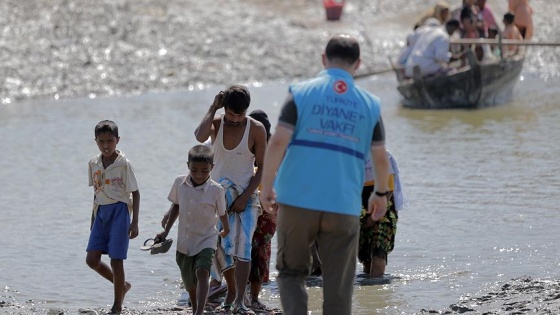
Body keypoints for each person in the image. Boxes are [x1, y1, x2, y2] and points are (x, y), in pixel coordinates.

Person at [259, 34, 390, 315]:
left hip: (297, 200)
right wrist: (380, 194)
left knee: (292, 273)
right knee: (338, 285)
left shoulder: (301, 93)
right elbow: (380, 156)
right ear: (358, 63)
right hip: (343, 204)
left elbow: (278, 141)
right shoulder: (370, 104)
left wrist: (266, 186)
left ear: (323, 59)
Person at [194, 85, 267, 314]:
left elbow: (263, 168)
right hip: (217, 194)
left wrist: (245, 197)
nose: (235, 119)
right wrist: (213, 107)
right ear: (224, 109)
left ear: (246, 110)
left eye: (240, 114)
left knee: (244, 246)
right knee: (219, 247)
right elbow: (199, 136)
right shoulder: (216, 123)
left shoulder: (256, 129)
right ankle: (232, 291)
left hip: (246, 194)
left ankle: (240, 301)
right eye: (230, 114)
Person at [156, 145, 230, 315]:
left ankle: (199, 312)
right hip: (185, 241)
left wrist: (225, 230)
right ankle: (195, 307)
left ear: (212, 167)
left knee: (203, 271)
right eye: (194, 169)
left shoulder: (216, 190)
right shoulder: (179, 183)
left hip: (207, 239)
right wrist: (165, 232)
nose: (199, 175)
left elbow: (223, 213)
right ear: (187, 165)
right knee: (190, 282)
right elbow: (176, 206)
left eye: (204, 171)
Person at [86, 120, 140, 315]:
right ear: (96, 142)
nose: (106, 146)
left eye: (110, 141)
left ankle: (117, 305)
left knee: (116, 260)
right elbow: (96, 190)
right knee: (92, 260)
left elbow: (136, 192)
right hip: (100, 212)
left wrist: (135, 222)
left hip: (120, 212)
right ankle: (122, 285)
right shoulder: (94, 163)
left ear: (118, 140)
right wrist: (92, 218)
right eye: (101, 142)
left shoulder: (124, 164)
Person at [246, 110, 277, 312]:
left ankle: (253, 296)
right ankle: (244, 295)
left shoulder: (273, 149)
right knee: (245, 250)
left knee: (258, 252)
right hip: (250, 204)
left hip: (266, 208)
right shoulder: (245, 144)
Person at [358, 151, 405, 278]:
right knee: (364, 253)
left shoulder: (382, 157)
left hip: (384, 208)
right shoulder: (351, 158)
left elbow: (388, 190)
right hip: (360, 207)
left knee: (379, 250)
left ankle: (376, 284)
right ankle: (370, 293)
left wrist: (374, 216)